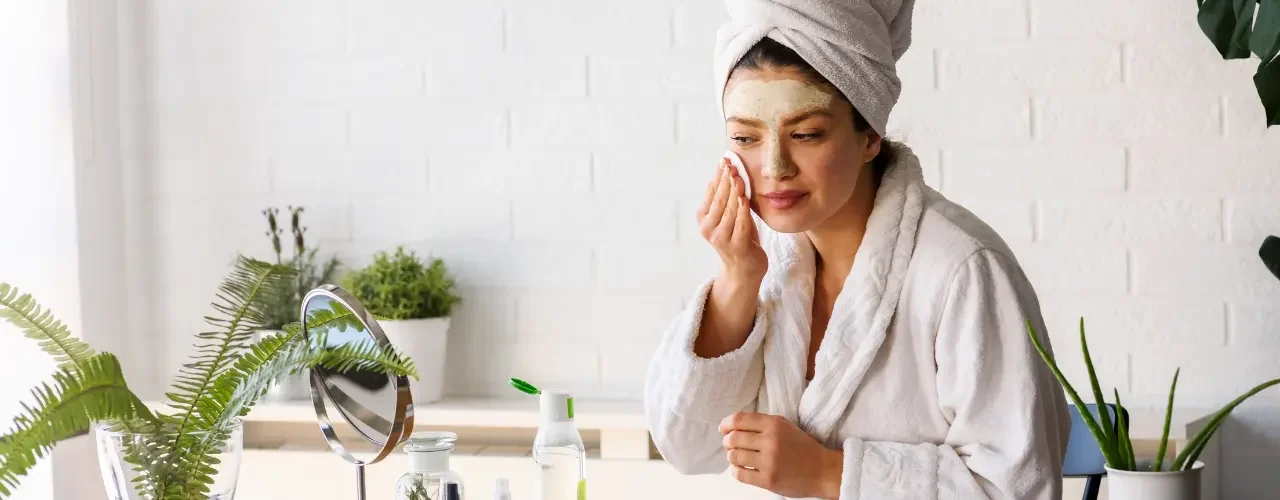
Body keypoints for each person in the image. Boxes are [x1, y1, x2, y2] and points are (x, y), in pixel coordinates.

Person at [643, 1, 1072, 499]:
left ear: (869, 134)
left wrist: (830, 473)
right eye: (745, 137)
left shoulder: (962, 269)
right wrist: (737, 278)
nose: (774, 166)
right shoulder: (771, 268)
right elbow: (687, 446)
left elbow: (1019, 488)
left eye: (806, 134)